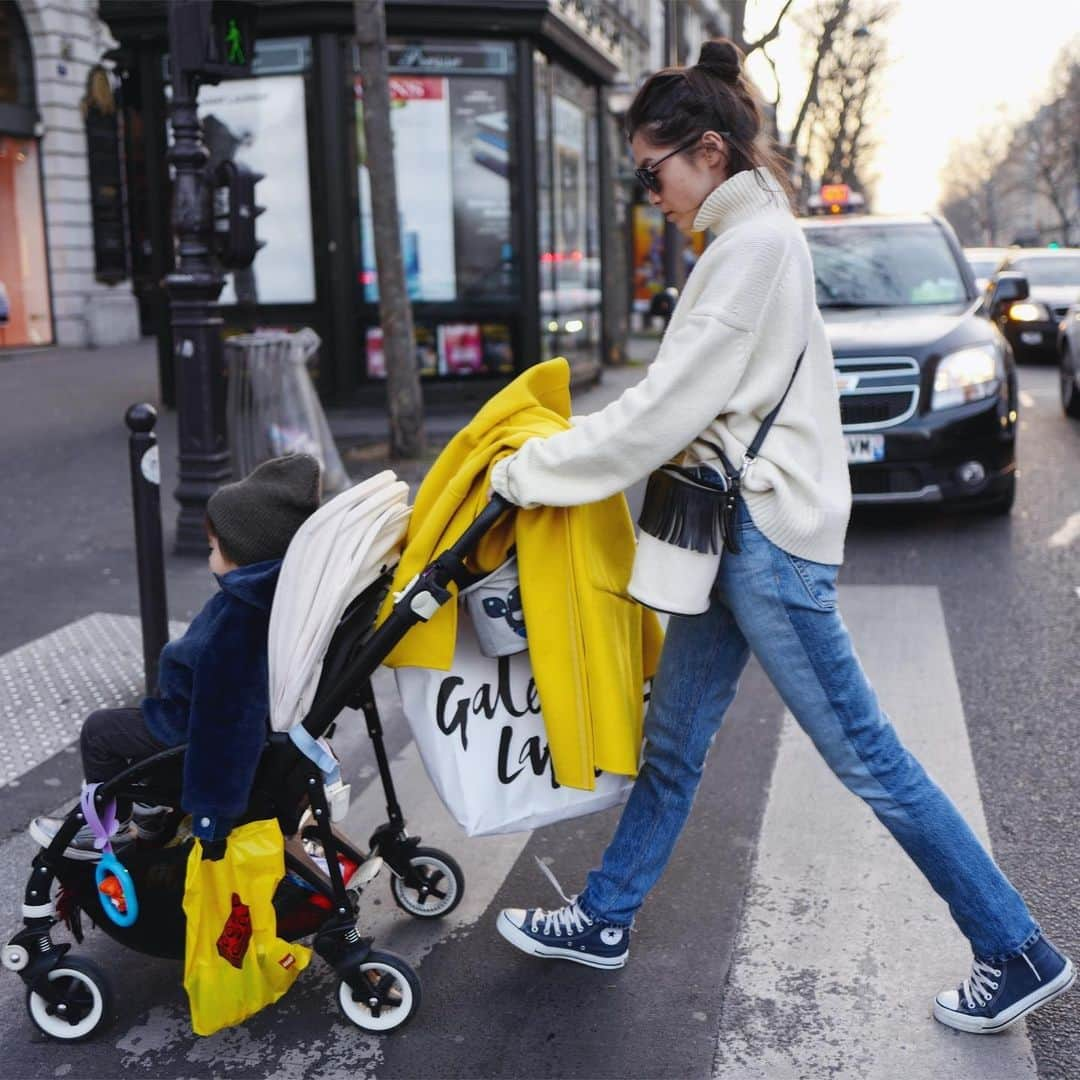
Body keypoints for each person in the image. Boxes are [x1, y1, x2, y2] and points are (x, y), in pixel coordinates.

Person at [490, 39, 1073, 1035]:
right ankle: (606, 916)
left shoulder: (752, 250)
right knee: (673, 746)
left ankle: (1013, 946)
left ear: (708, 152)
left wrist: (526, 472)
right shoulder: (745, 243)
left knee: (867, 756)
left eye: (653, 169)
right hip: (729, 537)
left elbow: (662, 412)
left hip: (760, 543)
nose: (649, 191)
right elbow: (677, 404)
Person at [30, 454, 321, 858]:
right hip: (185, 712)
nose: (209, 557)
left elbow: (227, 719)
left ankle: (108, 826)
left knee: (100, 732)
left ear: (243, 552)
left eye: (213, 548)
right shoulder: (268, 598)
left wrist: (211, 815)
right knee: (128, 722)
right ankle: (149, 811)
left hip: (184, 728)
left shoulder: (241, 619)